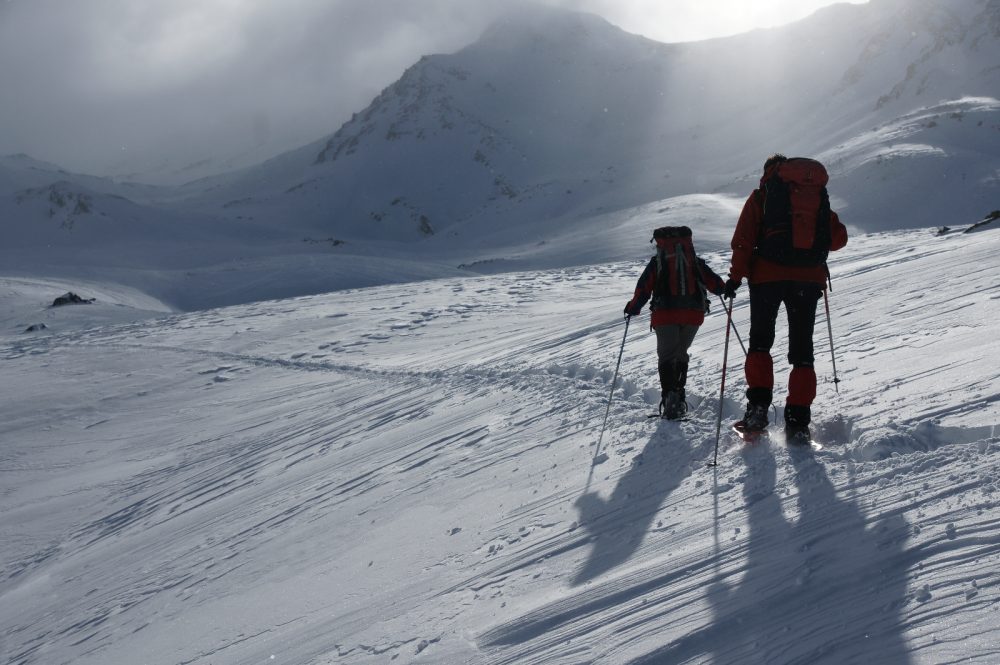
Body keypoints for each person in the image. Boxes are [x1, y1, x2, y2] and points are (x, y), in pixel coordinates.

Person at [724, 154, 848, 441]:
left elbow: (744, 238)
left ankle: (757, 411)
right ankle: (798, 422)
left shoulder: (763, 194)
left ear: (769, 171)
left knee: (760, 342)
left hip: (767, 278)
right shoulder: (815, 195)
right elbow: (838, 238)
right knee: (802, 350)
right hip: (807, 279)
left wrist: (735, 277)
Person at [625, 226, 726, 419]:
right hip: (693, 314)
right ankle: (679, 397)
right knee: (681, 353)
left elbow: (644, 288)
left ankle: (670, 399)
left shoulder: (657, 262)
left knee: (667, 355)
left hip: (665, 314)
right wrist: (723, 289)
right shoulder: (694, 261)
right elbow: (714, 282)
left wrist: (633, 308)